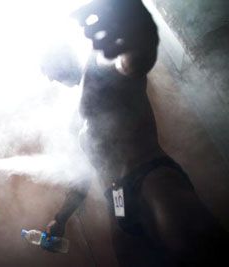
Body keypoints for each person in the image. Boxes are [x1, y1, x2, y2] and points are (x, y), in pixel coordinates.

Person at [45, 0, 229, 266]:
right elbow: (82, 176)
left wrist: (133, 17)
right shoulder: (76, 120)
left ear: (63, 52)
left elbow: (136, 58)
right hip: (117, 203)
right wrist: (60, 218)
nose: (50, 76)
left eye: (48, 64)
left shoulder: (100, 61)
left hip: (150, 179)